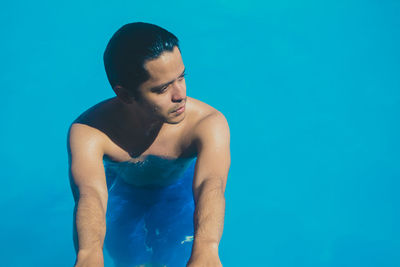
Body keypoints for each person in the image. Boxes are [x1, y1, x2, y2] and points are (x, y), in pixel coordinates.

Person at [67, 22, 230, 267]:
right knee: (128, 260)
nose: (180, 94)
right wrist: (89, 253)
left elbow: (211, 184)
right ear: (125, 94)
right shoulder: (91, 131)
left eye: (181, 77)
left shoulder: (207, 123)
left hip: (178, 192)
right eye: (163, 88)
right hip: (123, 195)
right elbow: (91, 194)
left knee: (175, 257)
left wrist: (206, 248)